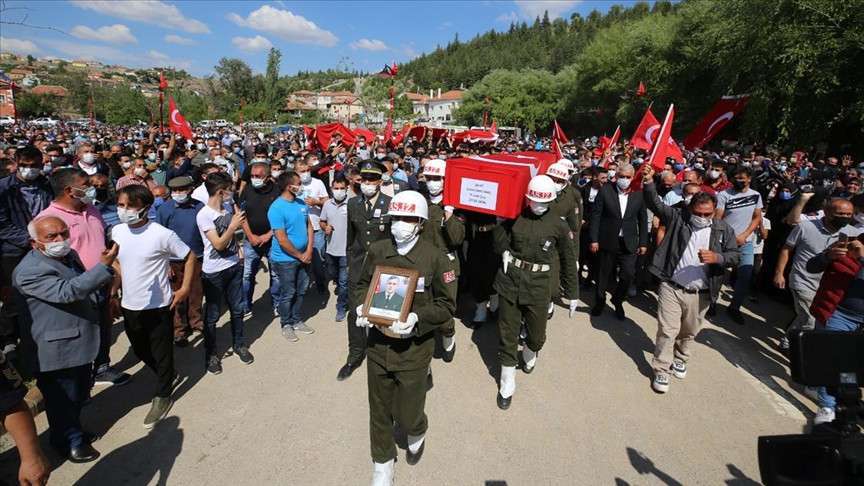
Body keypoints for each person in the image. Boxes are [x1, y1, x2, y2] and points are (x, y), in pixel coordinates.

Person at [353, 191, 456, 485]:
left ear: (421, 223)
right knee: (379, 408)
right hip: (378, 345)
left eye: (408, 218)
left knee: (409, 413)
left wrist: (416, 320)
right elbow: (361, 284)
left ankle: (418, 428)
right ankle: (383, 462)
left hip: (413, 349)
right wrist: (361, 305)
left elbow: (447, 305)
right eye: (396, 218)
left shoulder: (435, 258)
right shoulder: (379, 250)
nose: (400, 224)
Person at [14, 216, 117, 463]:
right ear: (35, 242)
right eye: (52, 237)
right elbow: (67, 291)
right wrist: (103, 267)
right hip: (56, 348)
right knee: (62, 399)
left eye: (63, 233)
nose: (60, 240)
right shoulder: (29, 271)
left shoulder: (67, 255)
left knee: (79, 393)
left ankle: (73, 432)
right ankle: (68, 442)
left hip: (78, 339)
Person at [640, 166, 740, 393]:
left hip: (701, 292)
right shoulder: (678, 219)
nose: (703, 218)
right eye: (699, 213)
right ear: (691, 209)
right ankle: (662, 370)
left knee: (689, 331)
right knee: (668, 330)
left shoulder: (723, 230)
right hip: (672, 285)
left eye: (708, 214)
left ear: (715, 211)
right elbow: (655, 204)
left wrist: (718, 257)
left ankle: (681, 357)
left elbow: (735, 256)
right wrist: (647, 182)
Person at [37, 168, 131, 387]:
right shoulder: (49, 220)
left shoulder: (92, 209)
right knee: (82, 333)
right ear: (71, 190)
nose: (91, 187)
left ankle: (102, 368)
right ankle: (79, 381)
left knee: (104, 326)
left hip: (102, 281)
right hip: (76, 286)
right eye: (86, 183)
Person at [111, 184, 195, 429]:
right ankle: (164, 373)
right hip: (130, 303)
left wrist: (185, 288)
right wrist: (114, 290)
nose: (124, 211)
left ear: (146, 208)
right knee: (139, 348)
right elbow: (116, 260)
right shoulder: (117, 231)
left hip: (159, 305)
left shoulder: (161, 234)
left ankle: (163, 393)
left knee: (161, 350)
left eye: (130, 206)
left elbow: (188, 256)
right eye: (121, 205)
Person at [492, 175, 579, 410]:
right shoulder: (516, 216)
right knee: (508, 334)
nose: (536, 204)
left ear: (551, 200)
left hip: (540, 284)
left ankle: (531, 351)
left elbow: (568, 260)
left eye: (542, 201)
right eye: (532, 200)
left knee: (536, 335)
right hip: (510, 280)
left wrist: (572, 293)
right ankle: (507, 381)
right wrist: (500, 224)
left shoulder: (558, 225)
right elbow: (499, 245)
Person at [773, 198, 861, 349]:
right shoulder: (805, 227)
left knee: (808, 319)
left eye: (849, 214)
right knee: (810, 320)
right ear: (827, 212)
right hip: (803, 281)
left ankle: (790, 341)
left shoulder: (854, 234)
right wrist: (779, 273)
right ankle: (789, 345)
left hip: (826, 288)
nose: (845, 217)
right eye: (840, 214)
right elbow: (787, 249)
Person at [338, 161, 392, 381]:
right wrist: (350, 263)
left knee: (384, 312)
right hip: (359, 266)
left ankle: (383, 353)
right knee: (356, 312)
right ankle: (355, 354)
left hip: (383, 267)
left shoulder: (390, 203)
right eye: (364, 179)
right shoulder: (353, 204)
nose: (367, 183)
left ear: (380, 181)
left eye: (372, 179)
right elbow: (351, 239)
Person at [197, 172, 254, 373]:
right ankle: (211, 354)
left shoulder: (228, 207)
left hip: (233, 267)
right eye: (230, 190)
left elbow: (232, 240)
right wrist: (232, 226)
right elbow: (219, 244)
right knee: (212, 316)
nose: (233, 193)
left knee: (237, 309)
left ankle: (239, 344)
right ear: (221, 192)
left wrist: (239, 251)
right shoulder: (204, 215)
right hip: (214, 273)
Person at [0, 146, 53, 348]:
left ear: (41, 165)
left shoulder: (46, 186)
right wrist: (26, 239)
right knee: (13, 297)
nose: (29, 170)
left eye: (34, 166)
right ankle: (9, 340)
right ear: (16, 164)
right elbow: (2, 224)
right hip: (14, 250)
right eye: (24, 165)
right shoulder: (4, 188)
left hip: (42, 248)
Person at [808, 236, 864, 424]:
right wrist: (827, 256)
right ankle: (827, 409)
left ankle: (822, 389)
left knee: (852, 366)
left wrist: (862, 258)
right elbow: (812, 266)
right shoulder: (848, 244)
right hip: (838, 314)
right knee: (834, 362)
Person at [589, 163, 648, 319]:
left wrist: (643, 242)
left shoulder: (638, 193)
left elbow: (643, 219)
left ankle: (618, 300)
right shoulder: (605, 190)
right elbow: (596, 216)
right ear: (616, 176)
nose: (625, 180)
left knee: (627, 274)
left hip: (629, 242)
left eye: (628, 177)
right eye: (621, 176)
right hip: (607, 240)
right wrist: (594, 239)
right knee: (603, 274)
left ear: (633, 177)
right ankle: (600, 301)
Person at [419, 159, 464, 361]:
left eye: (437, 178)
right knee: (424, 305)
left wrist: (449, 215)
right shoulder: (420, 203)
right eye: (429, 178)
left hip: (447, 264)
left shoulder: (455, 205)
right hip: (423, 263)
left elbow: (457, 238)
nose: (432, 182)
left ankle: (448, 339)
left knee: (445, 309)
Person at [155, 176, 206, 347]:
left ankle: (196, 322)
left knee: (196, 293)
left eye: (182, 190)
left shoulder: (199, 207)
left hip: (197, 257)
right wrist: (165, 263)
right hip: (174, 260)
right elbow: (159, 238)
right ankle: (179, 330)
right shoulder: (164, 209)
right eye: (175, 190)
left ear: (190, 189)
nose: (178, 193)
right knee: (177, 296)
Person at [268, 171, 315, 342]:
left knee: (301, 290)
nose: (301, 186)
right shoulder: (276, 208)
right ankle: (286, 323)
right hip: (285, 260)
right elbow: (282, 239)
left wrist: (309, 249)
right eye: (298, 183)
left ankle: (296, 319)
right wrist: (300, 255)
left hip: (303, 256)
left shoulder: (301, 203)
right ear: (289, 186)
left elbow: (309, 226)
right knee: (288, 292)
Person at [715, 166, 763, 324]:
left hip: (746, 242)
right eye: (735, 177)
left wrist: (745, 235)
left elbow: (757, 218)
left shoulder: (756, 196)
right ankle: (712, 302)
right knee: (717, 274)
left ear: (749, 178)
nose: (738, 180)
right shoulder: (723, 195)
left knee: (745, 275)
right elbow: (718, 218)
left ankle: (734, 308)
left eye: (742, 178)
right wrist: (726, 238)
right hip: (724, 242)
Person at [239, 161, 281, 318]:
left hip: (273, 240)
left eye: (258, 176)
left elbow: (281, 218)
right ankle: (245, 305)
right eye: (252, 176)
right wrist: (250, 236)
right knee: (247, 275)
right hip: (251, 241)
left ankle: (276, 304)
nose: (254, 178)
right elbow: (241, 215)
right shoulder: (248, 189)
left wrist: (268, 235)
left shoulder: (277, 191)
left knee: (276, 274)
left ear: (267, 177)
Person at [295, 158, 329, 294]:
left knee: (319, 257)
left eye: (308, 170)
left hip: (316, 227)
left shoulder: (318, 183)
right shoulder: (292, 185)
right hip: (299, 228)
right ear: (296, 172)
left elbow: (327, 202)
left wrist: (316, 202)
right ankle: (303, 284)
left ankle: (320, 281)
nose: (306, 173)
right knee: (300, 257)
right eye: (302, 171)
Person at [319, 175, 349, 322]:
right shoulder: (327, 204)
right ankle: (337, 282)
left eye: (342, 188)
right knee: (333, 274)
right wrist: (326, 227)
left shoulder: (352, 204)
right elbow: (322, 221)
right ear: (331, 189)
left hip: (346, 250)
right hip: (331, 248)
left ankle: (341, 307)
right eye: (336, 188)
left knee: (344, 282)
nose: (339, 191)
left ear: (347, 188)